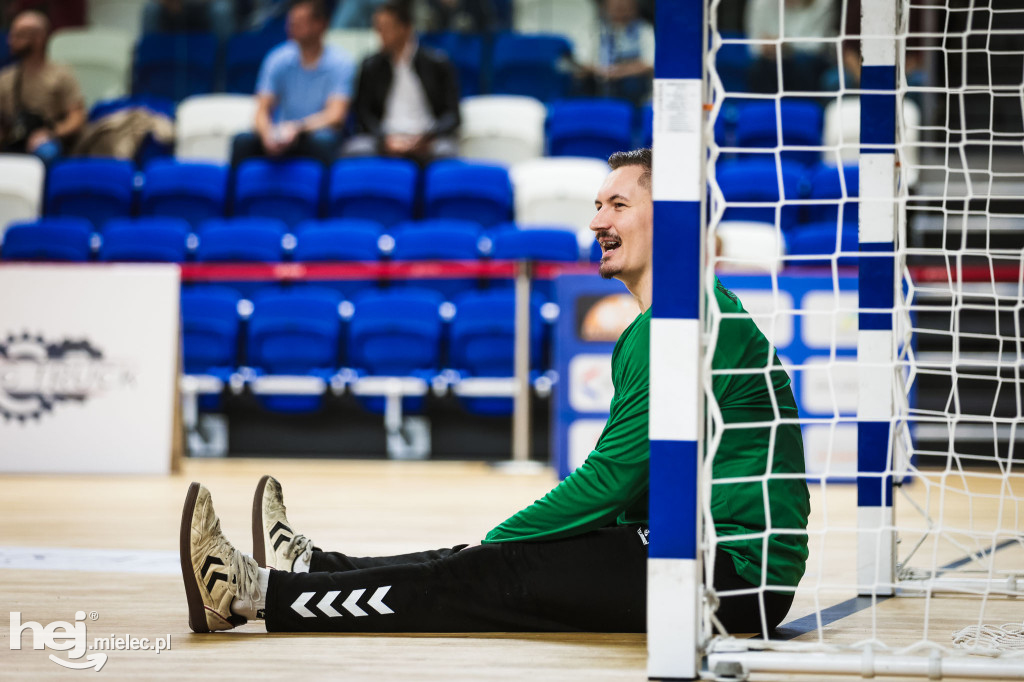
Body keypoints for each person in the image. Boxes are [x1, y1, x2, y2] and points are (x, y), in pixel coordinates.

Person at [180, 147, 811, 636]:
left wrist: (500, 541)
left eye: (617, 205)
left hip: (729, 578)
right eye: (597, 205)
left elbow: (611, 483)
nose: (596, 222)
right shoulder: (672, 318)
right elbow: (631, 490)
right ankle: (315, 569)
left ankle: (250, 595)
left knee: (485, 570)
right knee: (485, 560)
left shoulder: (681, 322)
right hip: (702, 555)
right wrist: (506, 545)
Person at [231, 0, 354, 167]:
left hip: (312, 133)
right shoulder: (277, 58)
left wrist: (297, 129)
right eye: (291, 22)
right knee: (243, 141)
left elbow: (335, 116)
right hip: (281, 133)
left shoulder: (341, 63)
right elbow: (261, 110)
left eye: (300, 22)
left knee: (324, 141)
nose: (292, 26)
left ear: (321, 24)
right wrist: (268, 134)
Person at [342, 1, 459, 163]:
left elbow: (453, 116)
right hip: (385, 137)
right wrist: (385, 139)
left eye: (386, 27)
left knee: (446, 152)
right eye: (378, 28)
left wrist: (428, 136)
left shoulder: (437, 63)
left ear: (406, 28)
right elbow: (363, 114)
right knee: (355, 149)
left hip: (427, 137)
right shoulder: (371, 66)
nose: (380, 34)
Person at [0, 10, 85, 166]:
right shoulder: (6, 78)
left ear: (39, 38)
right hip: (15, 137)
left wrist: (51, 133)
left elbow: (77, 116)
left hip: (48, 138)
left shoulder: (61, 74)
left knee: (46, 152)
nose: (10, 41)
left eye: (19, 35)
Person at [744, 0, 837, 93]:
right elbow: (754, 46)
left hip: (809, 62)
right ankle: (765, 105)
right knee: (759, 68)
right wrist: (767, 47)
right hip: (768, 61)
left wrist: (785, 45)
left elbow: (817, 46)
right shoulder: (759, 3)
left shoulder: (822, 2)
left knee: (803, 65)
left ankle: (804, 105)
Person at [574, 0, 654, 105]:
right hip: (598, 76)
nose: (621, 9)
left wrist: (619, 72)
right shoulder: (594, 29)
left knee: (631, 84)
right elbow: (582, 61)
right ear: (605, 7)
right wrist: (601, 71)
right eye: (615, 6)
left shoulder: (644, 30)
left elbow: (649, 63)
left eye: (626, 6)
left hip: (630, 81)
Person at [142, 0, 235, 41]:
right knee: (151, 9)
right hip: (172, 9)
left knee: (221, 10)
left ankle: (222, 71)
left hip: (207, 9)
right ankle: (150, 66)